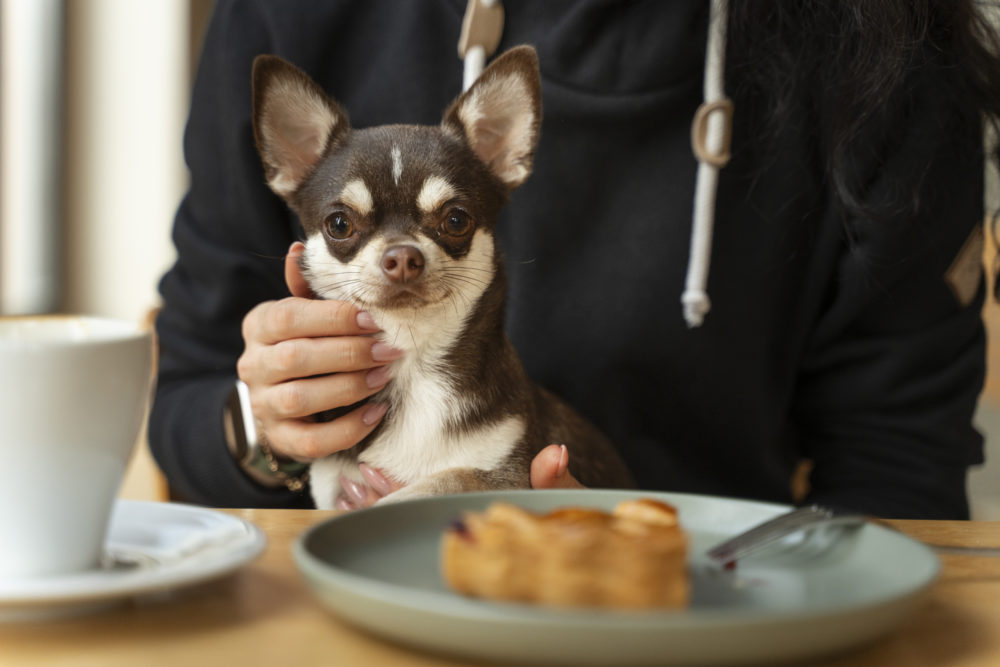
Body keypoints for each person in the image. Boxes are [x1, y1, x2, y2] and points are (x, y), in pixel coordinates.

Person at [149, 0, 1000, 518]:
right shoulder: (292, 17)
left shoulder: (893, 54)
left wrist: (670, 582)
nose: (401, 258)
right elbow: (184, 398)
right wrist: (271, 432)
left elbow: (898, 471)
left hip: (715, 608)